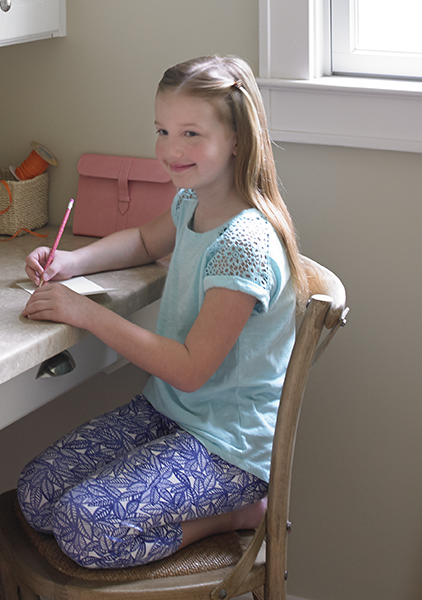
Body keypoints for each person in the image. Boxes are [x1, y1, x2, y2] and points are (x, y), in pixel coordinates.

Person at [17, 55, 309, 569]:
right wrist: (71, 261)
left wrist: (87, 312)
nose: (172, 150)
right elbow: (143, 241)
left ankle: (241, 513)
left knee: (85, 528)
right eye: (163, 130)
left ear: (236, 137)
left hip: (227, 446)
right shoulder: (191, 201)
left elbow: (191, 369)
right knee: (37, 494)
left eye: (192, 133)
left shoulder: (245, 243)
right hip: (168, 412)